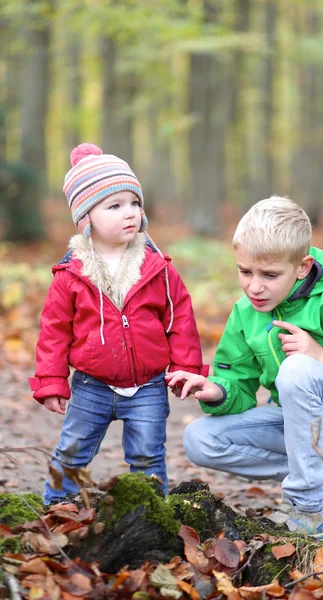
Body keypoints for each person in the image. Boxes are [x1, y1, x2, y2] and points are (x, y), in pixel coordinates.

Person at [165, 196, 323, 538]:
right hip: (303, 427)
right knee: (199, 439)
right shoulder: (246, 313)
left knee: (297, 368)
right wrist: (216, 390)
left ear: (302, 267)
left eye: (270, 275)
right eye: (245, 271)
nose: (255, 287)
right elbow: (239, 388)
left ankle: (308, 510)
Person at [29, 142, 207, 505]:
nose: (130, 213)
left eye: (134, 203)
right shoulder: (71, 274)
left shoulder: (157, 267)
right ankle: (56, 507)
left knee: (148, 455)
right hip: (91, 386)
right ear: (86, 218)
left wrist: (186, 367)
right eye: (115, 205)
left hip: (148, 387)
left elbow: (180, 318)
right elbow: (54, 330)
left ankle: (148, 512)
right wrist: (50, 380)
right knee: (72, 451)